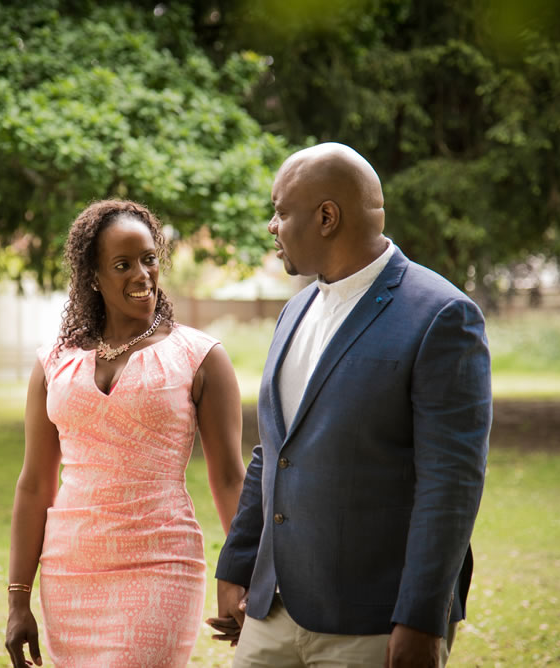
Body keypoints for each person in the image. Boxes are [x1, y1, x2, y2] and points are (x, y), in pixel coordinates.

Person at [207, 143, 492, 667]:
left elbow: (451, 484)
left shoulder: (442, 316)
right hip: (271, 613)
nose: (271, 225)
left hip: (373, 623)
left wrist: (421, 617)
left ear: (326, 217)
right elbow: (273, 450)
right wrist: (237, 564)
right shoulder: (294, 312)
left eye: (280, 210)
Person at [5, 200, 245, 667]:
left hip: (160, 564)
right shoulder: (54, 361)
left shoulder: (199, 356)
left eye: (149, 259)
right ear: (93, 277)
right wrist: (18, 599)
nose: (142, 274)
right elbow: (35, 483)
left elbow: (230, 479)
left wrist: (242, 574)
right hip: (68, 570)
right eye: (123, 265)